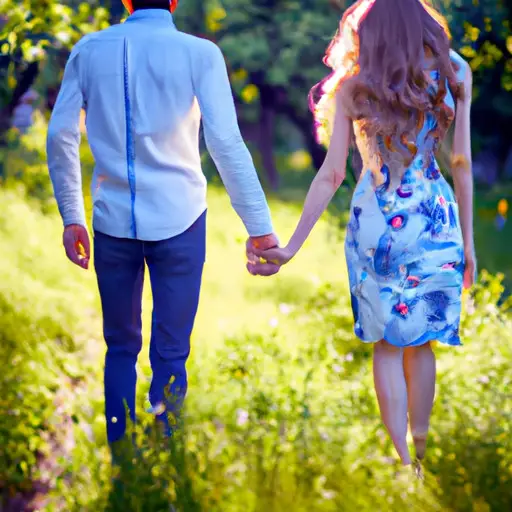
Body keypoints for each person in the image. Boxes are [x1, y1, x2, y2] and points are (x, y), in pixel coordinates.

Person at [251, 0, 476, 475]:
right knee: (423, 342)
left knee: (388, 347)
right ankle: (422, 452)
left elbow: (331, 174)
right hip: (434, 217)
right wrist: (470, 243)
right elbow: (461, 163)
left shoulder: (355, 87)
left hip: (377, 219)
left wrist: (290, 247)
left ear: (368, 31)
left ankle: (402, 468)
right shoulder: (454, 73)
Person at [47, 0, 280, 451]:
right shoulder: (200, 53)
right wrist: (260, 226)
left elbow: (60, 134)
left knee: (119, 347)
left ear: (125, 1)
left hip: (112, 223)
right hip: (182, 221)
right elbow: (225, 141)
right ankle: (165, 460)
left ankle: (122, 462)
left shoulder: (89, 49)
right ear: (174, 1)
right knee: (171, 351)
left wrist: (72, 215)